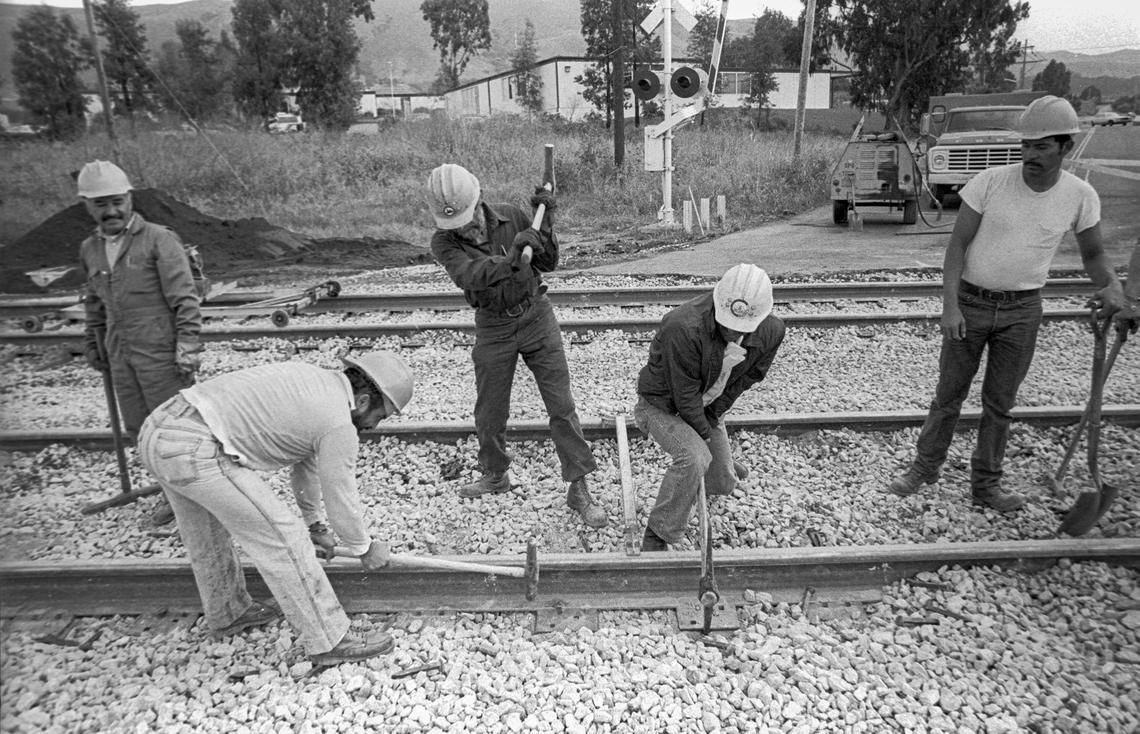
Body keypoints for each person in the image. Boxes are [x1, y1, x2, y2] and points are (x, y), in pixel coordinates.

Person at [889, 96, 1124, 511]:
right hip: (971, 301)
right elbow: (957, 245)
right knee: (948, 395)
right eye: (1027, 146)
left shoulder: (1080, 196)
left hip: (1022, 311)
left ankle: (986, 487)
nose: (1031, 155)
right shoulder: (990, 182)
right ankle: (925, 468)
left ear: (1065, 147)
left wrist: (1111, 286)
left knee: (1000, 405)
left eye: (1042, 147)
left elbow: (1093, 256)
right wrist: (950, 306)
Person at [137, 351, 413, 665]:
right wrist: (364, 547)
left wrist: (315, 524)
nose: (376, 426)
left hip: (159, 431)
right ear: (363, 401)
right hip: (195, 446)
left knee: (207, 534)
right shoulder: (339, 423)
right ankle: (331, 639)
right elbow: (341, 493)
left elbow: (306, 466)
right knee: (285, 539)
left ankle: (228, 612)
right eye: (382, 416)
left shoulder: (318, 386)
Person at [425, 163, 606, 529]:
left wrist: (547, 223)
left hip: (536, 316)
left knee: (562, 405)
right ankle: (495, 474)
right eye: (455, 223)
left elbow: (549, 263)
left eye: (467, 216)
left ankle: (578, 486)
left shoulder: (512, 217)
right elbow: (469, 275)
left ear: (479, 199)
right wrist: (511, 259)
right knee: (489, 411)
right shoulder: (442, 242)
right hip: (493, 325)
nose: (464, 227)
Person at [77, 160, 203, 528]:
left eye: (117, 201)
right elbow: (94, 301)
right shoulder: (90, 248)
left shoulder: (159, 240)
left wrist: (188, 345)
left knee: (175, 429)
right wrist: (92, 341)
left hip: (161, 353)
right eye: (101, 204)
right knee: (139, 429)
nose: (111, 211)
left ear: (130, 198)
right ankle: (170, 492)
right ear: (87, 205)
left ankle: (194, 498)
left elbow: (185, 298)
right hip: (120, 352)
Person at [634, 263, 786, 551]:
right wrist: (703, 437)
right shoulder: (682, 326)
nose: (731, 331)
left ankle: (714, 469)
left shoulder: (772, 331)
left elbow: (747, 379)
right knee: (695, 457)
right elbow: (684, 395)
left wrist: (713, 417)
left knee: (723, 483)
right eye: (726, 323)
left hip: (706, 405)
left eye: (740, 328)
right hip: (661, 404)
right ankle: (658, 534)